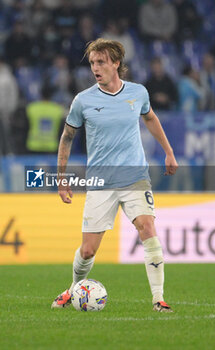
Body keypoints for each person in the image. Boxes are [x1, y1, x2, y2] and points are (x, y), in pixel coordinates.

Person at [51, 38, 178, 312]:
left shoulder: (138, 93)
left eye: (101, 62)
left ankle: (158, 298)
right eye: (93, 63)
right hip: (101, 183)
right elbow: (66, 137)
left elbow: (151, 118)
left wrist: (168, 151)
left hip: (135, 177)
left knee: (148, 228)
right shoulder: (83, 101)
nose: (95, 68)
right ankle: (73, 289)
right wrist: (61, 177)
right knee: (88, 251)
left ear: (116, 63)